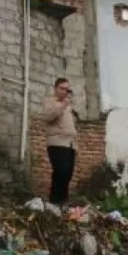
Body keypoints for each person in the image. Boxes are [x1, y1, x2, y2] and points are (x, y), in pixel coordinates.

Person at [43, 77, 78, 206]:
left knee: (68, 174)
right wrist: (63, 105)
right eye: (62, 88)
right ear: (55, 88)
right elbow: (48, 117)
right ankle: (54, 201)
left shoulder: (69, 106)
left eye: (67, 89)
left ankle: (63, 202)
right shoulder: (50, 102)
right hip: (57, 143)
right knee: (60, 172)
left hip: (70, 144)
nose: (65, 92)